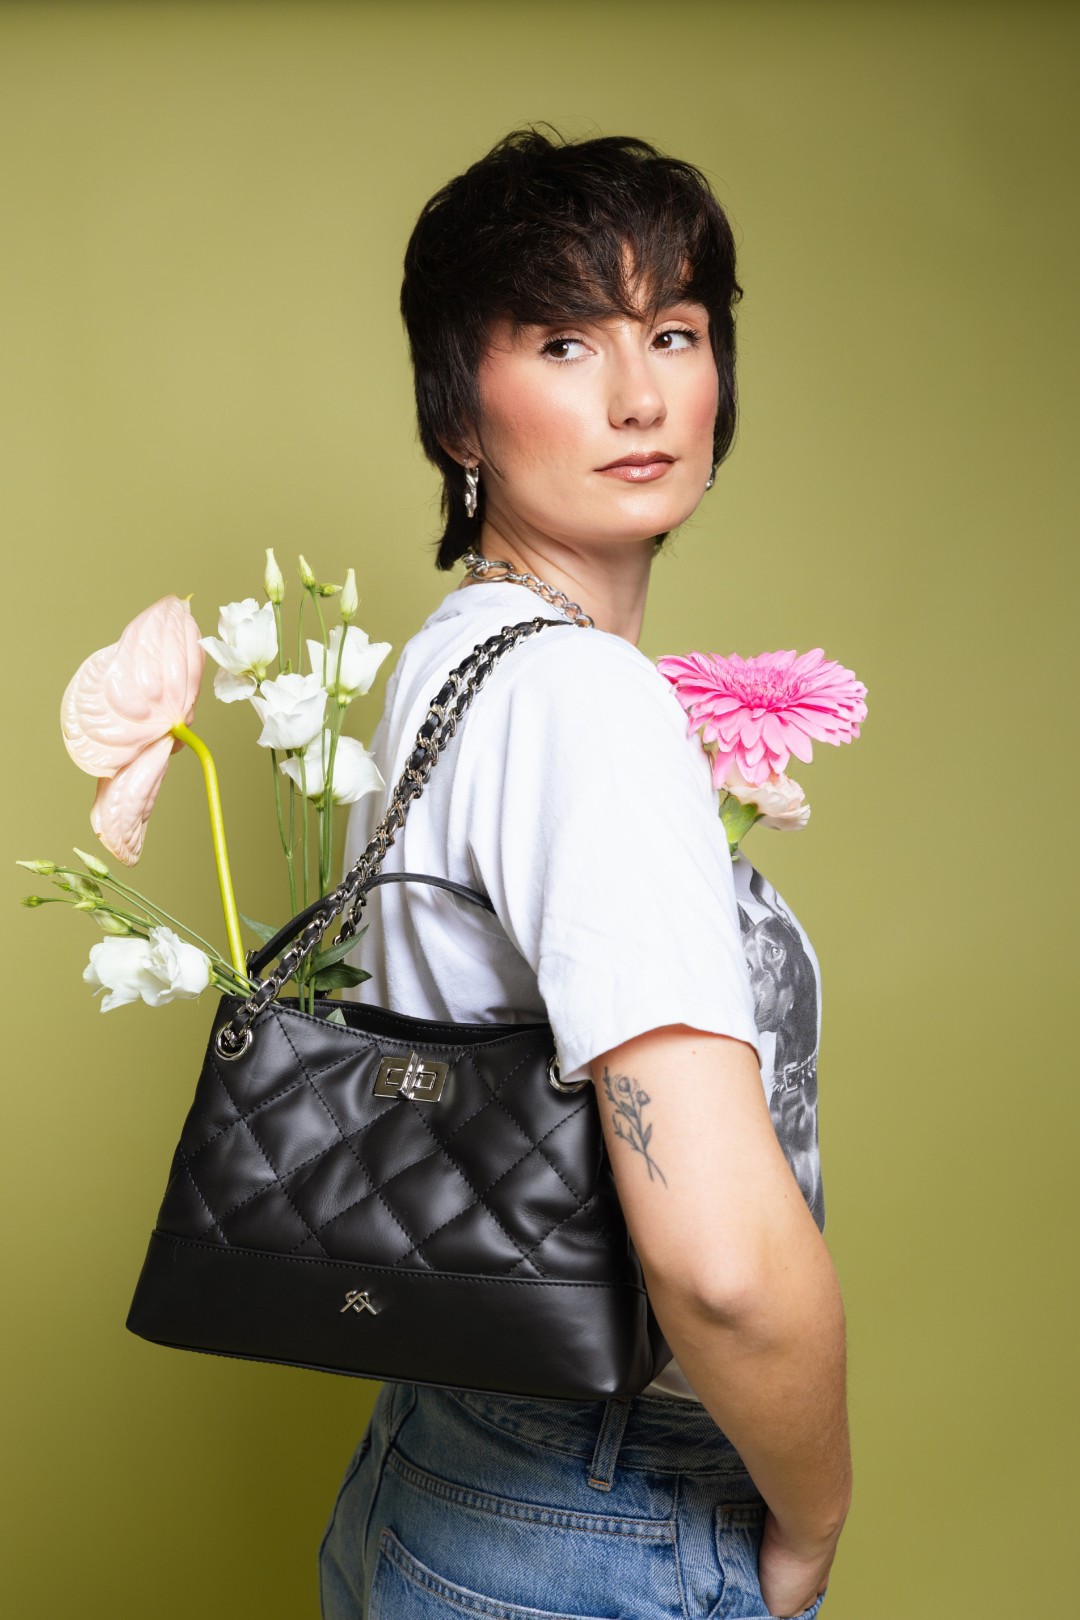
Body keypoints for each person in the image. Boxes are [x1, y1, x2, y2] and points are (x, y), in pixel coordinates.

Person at [320, 129, 851, 1620]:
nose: (639, 396)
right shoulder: (583, 701)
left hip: (438, 1462)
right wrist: (813, 1516)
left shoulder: (450, 662)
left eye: (673, 332)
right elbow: (720, 1264)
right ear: (456, 415)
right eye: (564, 342)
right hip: (599, 1507)